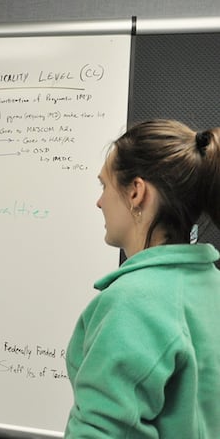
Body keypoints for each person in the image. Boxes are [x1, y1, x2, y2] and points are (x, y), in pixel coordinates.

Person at [65, 119, 220, 438]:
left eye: (104, 186)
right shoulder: (210, 288)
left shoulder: (132, 303)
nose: (99, 201)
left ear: (136, 192)